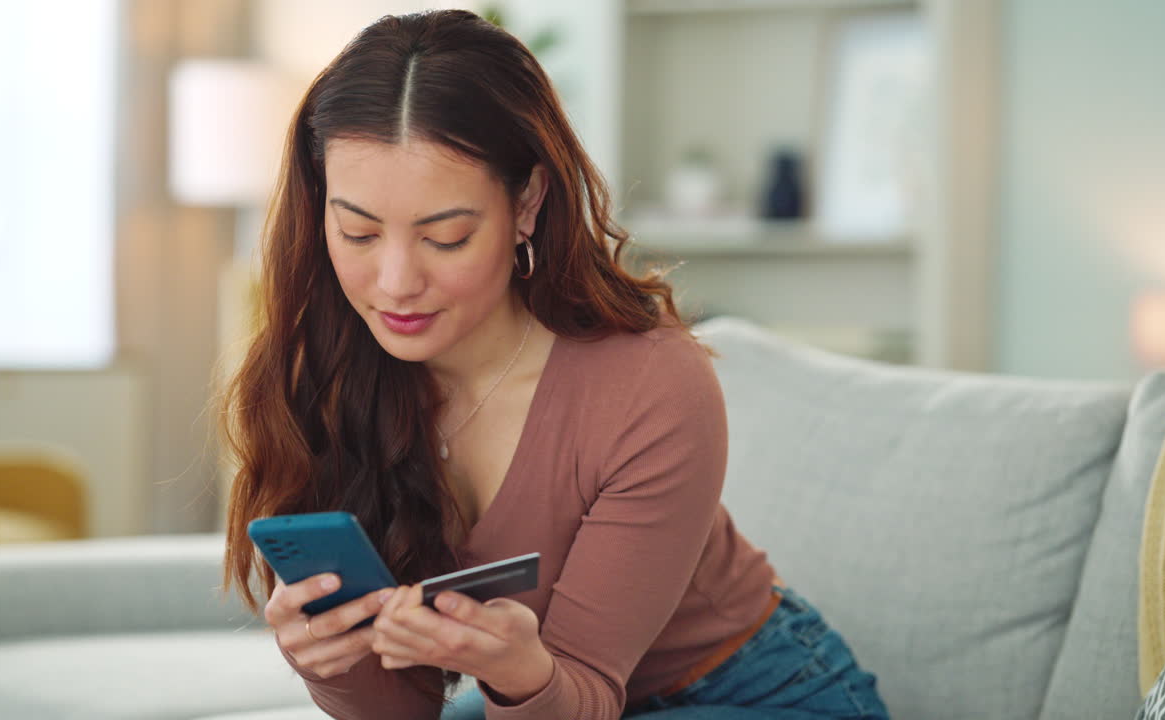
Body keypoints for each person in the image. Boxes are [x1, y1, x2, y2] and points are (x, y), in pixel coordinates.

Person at [221, 9, 889, 720]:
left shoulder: (650, 385)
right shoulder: (333, 378)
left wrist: (517, 671)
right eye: (357, 231)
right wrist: (334, 656)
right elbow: (401, 711)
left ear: (528, 203)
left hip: (758, 692)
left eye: (445, 236)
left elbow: (586, 689)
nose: (394, 282)